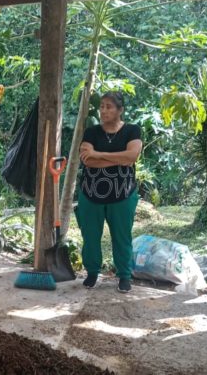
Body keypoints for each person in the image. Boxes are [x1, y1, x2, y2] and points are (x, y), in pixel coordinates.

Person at [76, 91, 142, 293]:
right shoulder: (91, 132)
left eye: (109, 107)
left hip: (122, 194)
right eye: (102, 106)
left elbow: (131, 157)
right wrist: (115, 157)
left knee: (122, 236)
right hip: (90, 193)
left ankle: (124, 275)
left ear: (120, 110)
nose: (103, 110)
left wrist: (99, 155)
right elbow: (87, 159)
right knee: (90, 235)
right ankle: (92, 273)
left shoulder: (132, 130)